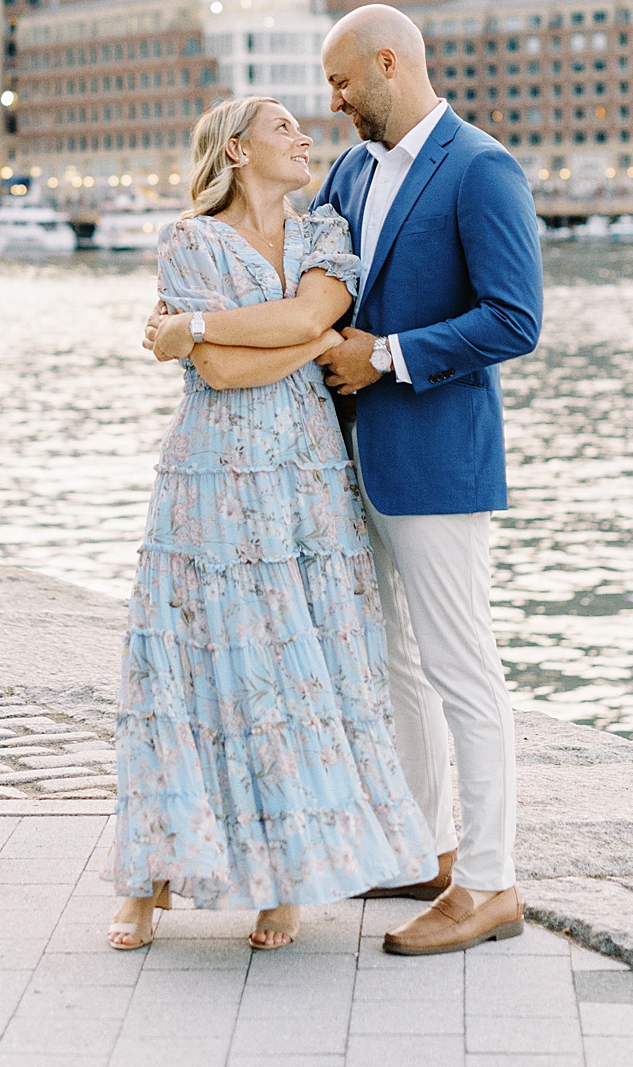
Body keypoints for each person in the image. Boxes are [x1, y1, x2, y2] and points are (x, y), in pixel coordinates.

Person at [106, 94, 437, 952]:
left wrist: (214, 328)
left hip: (306, 482)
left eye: (303, 125)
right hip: (209, 480)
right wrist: (295, 337)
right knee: (183, 669)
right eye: (282, 126)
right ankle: (147, 883)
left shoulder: (325, 232)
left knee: (297, 673)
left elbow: (290, 321)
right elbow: (217, 373)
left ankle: (285, 880)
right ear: (238, 150)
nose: (303, 136)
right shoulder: (188, 239)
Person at [313, 4, 543, 957]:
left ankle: (489, 884)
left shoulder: (481, 168)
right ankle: (422, 849)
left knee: (461, 670)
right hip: (357, 455)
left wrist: (392, 357)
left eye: (342, 84)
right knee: (394, 664)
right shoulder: (351, 169)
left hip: (440, 461)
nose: (333, 103)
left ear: (387, 63)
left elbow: (515, 319)